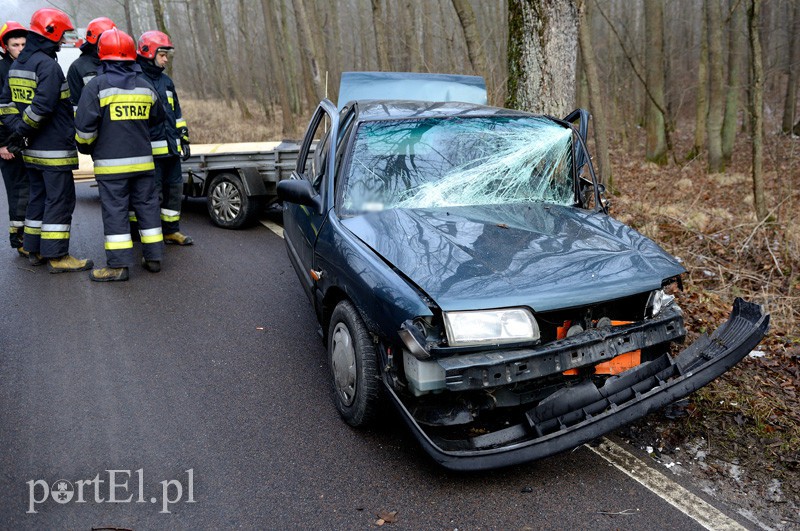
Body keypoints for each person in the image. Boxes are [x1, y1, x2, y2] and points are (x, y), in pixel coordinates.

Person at [0, 8, 92, 273]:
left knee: (38, 198)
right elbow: (42, 107)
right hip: (53, 149)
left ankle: (34, 249)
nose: (63, 40)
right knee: (59, 200)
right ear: (50, 32)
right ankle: (57, 255)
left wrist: (18, 130)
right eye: (61, 35)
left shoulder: (19, 64)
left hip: (31, 150)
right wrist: (21, 131)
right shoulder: (48, 66)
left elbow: (4, 104)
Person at [75, 28, 165, 282]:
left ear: (102, 55)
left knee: (116, 212)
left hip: (111, 166)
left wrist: (87, 148)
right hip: (144, 164)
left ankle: (118, 266)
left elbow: (84, 131)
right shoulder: (145, 86)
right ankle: (154, 258)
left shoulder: (96, 86)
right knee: (148, 208)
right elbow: (157, 118)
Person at [136, 31, 193, 246]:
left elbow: (176, 112)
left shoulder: (167, 82)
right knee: (152, 195)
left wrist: (183, 136)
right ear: (148, 53)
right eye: (162, 55)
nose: (165, 59)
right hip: (150, 154)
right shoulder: (137, 81)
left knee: (174, 191)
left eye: (166, 55)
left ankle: (171, 231)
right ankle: (148, 235)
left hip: (171, 150)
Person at [0, 21, 28, 254]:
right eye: (15, 45)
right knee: (18, 191)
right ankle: (19, 240)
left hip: (28, 139)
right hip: (9, 143)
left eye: (23, 44)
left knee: (31, 190)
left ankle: (31, 236)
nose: (20, 48)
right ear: (6, 47)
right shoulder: (2, 70)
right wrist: (2, 144)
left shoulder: (29, 67)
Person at [67, 16, 115, 113]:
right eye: (106, 38)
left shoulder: (119, 62)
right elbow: (74, 104)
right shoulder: (78, 67)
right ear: (95, 39)